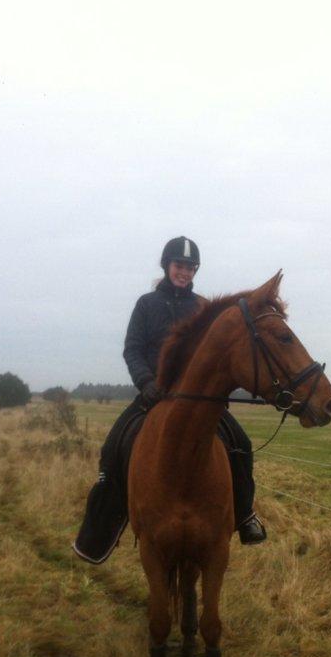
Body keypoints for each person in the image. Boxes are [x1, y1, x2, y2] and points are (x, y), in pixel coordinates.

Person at [73, 236, 266, 563]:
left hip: (198, 402)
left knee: (241, 445)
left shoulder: (203, 307)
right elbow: (132, 349)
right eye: (179, 265)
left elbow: (216, 355)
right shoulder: (146, 304)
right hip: (154, 396)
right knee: (113, 448)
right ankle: (106, 524)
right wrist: (146, 382)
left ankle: (245, 516)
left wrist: (216, 390)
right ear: (167, 266)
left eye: (190, 267)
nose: (184, 272)